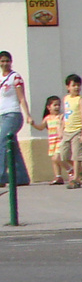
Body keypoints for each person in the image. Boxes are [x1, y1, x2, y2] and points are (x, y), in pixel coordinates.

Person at [0, 50, 32, 186]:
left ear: (11, 62)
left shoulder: (15, 77)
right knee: (13, 146)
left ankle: (1, 176)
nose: (5, 63)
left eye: (7, 60)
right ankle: (21, 177)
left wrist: (28, 115)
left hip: (13, 115)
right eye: (2, 61)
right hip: (2, 115)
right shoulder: (1, 77)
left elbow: (21, 98)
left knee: (1, 142)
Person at [59, 73, 82, 189]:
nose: (76, 87)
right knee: (64, 155)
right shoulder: (65, 99)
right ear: (68, 87)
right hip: (67, 131)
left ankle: (75, 179)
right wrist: (61, 129)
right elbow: (65, 115)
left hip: (77, 131)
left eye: (78, 85)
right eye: (74, 85)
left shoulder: (80, 100)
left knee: (76, 157)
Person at [36, 95, 65, 185]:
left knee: (57, 158)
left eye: (58, 105)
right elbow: (41, 127)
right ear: (49, 107)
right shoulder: (47, 118)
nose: (57, 107)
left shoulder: (61, 117)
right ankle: (58, 176)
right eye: (55, 105)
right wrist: (33, 124)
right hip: (52, 141)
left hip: (60, 140)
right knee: (54, 159)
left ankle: (70, 170)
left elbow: (64, 126)